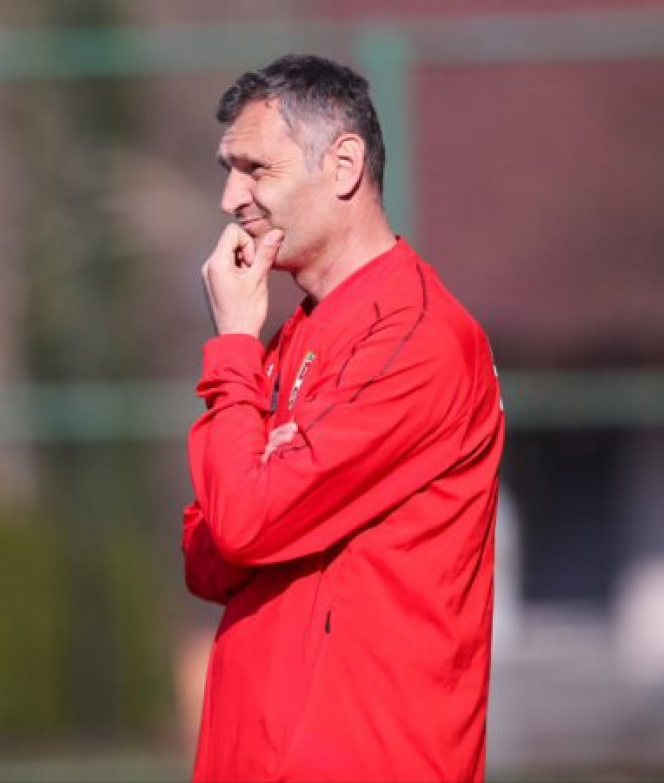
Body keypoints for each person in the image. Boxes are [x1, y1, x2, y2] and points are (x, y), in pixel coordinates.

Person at [182, 54, 505, 782]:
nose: (231, 198)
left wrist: (232, 349)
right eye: (229, 171)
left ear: (344, 165)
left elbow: (241, 521)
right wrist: (253, 485)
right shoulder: (288, 339)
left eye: (256, 169)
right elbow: (205, 552)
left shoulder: (420, 339)